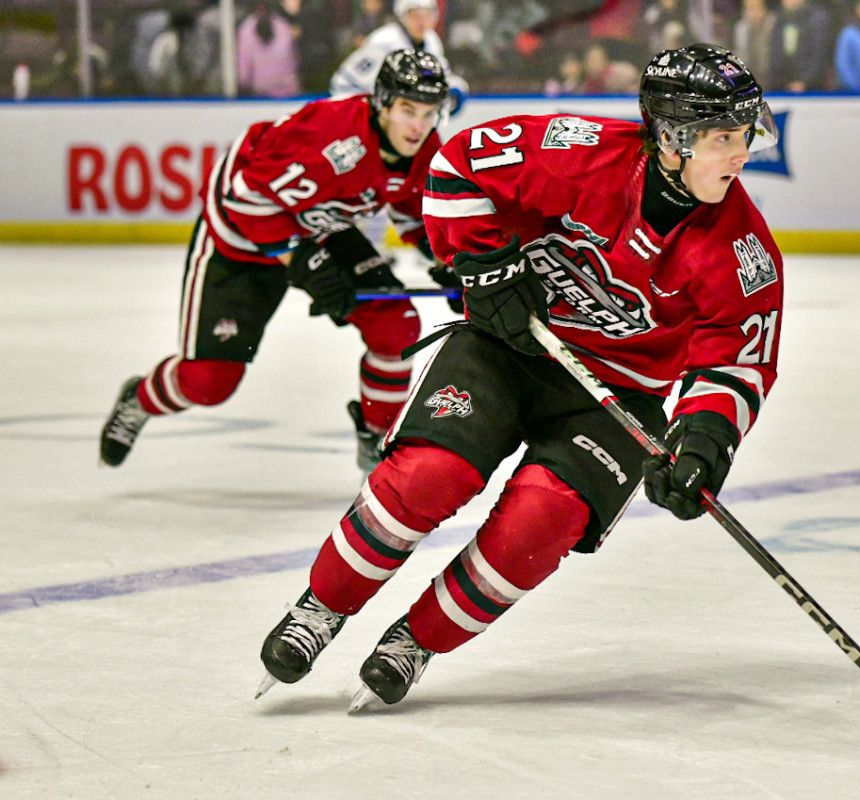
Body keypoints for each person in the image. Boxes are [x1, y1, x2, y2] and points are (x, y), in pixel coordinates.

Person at [255, 43, 785, 712]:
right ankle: (323, 606)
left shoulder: (743, 250)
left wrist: (705, 441)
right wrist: (484, 265)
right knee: (429, 475)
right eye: (723, 137)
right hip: (509, 347)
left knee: (541, 523)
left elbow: (736, 362)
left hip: (618, 397)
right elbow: (455, 170)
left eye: (744, 133)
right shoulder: (580, 151)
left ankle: (415, 641)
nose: (741, 153)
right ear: (672, 138)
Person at [98, 50, 458, 473]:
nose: (418, 125)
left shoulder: (421, 147)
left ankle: (377, 436)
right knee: (209, 383)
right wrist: (305, 261)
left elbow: (413, 213)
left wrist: (451, 260)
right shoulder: (332, 139)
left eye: (428, 112)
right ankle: (139, 398)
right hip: (240, 236)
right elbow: (244, 199)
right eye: (407, 110)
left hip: (318, 224)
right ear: (382, 102)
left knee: (396, 327)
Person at [330, 0, 467, 114]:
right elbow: (344, 82)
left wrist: (454, 87)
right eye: (415, 15)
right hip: (361, 110)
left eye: (428, 15)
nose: (422, 21)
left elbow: (439, 77)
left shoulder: (432, 40)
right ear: (403, 16)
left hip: (394, 113)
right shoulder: (384, 41)